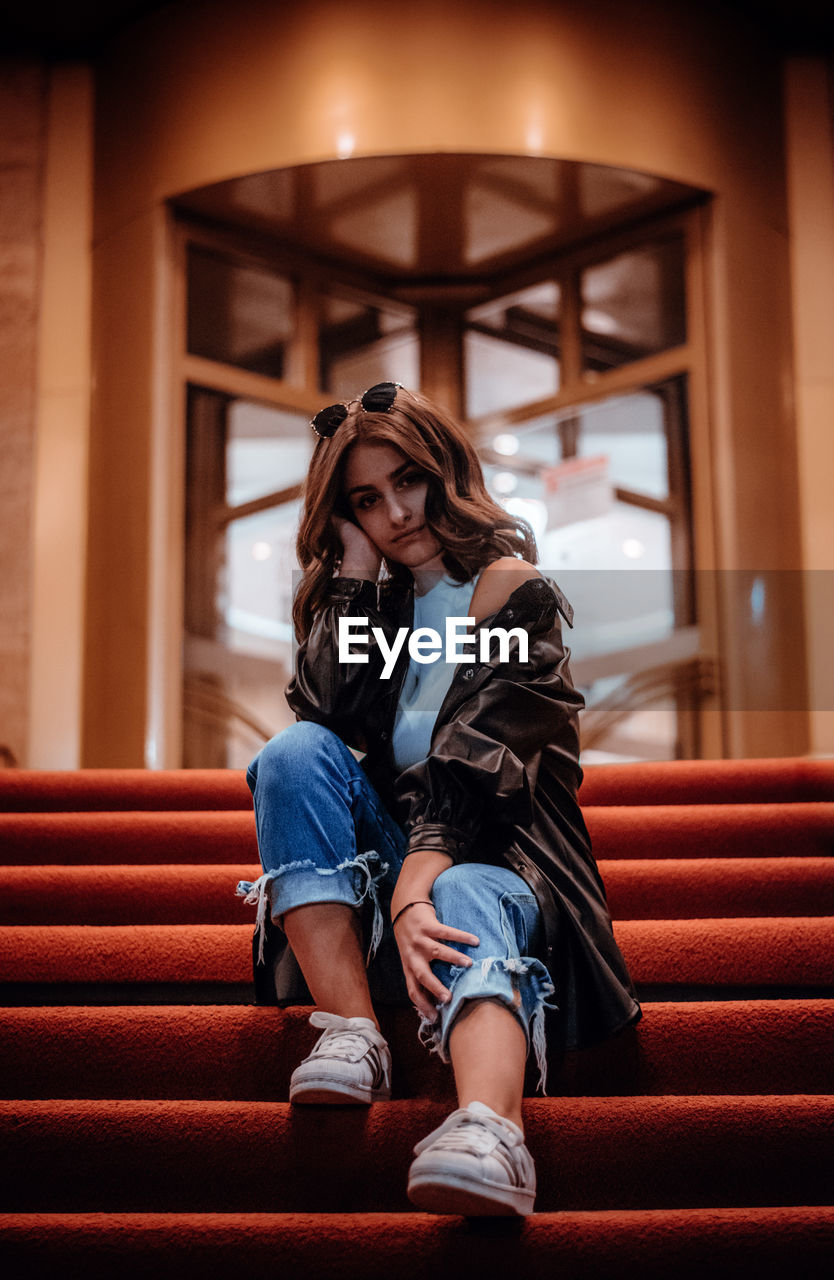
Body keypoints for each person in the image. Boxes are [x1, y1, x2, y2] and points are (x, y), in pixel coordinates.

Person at [239, 381, 640, 1217]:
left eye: (406, 481)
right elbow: (323, 720)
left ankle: (490, 1129)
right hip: (402, 885)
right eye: (365, 499)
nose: (396, 511)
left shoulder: (513, 594)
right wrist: (351, 568)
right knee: (292, 755)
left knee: (462, 888)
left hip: (510, 869)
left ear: (442, 470)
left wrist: (415, 890)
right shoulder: (377, 609)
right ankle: (354, 1032)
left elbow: (476, 770)